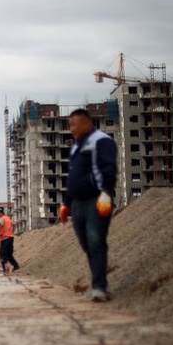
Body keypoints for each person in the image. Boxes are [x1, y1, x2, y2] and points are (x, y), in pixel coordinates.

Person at [58, 108, 118, 302]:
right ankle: (97, 285)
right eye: (69, 125)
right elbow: (74, 177)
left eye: (73, 124)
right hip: (77, 203)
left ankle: (100, 287)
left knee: (96, 241)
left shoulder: (101, 141)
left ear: (86, 123)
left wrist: (106, 193)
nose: (71, 129)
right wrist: (66, 203)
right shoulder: (76, 147)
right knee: (86, 244)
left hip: (97, 201)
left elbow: (109, 168)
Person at [0, 209, 18, 273]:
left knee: (2, 254)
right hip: (10, 238)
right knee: (9, 254)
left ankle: (5, 269)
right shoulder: (8, 218)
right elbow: (14, 224)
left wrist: (1, 232)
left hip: (4, 239)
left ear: (1, 213)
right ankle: (16, 266)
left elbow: (1, 223)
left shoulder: (1, 218)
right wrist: (12, 232)